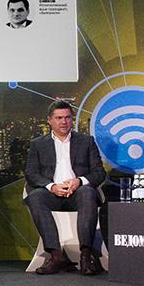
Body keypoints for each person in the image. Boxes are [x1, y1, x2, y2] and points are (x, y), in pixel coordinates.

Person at [25, 99, 105, 275]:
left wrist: (79, 181)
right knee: (35, 196)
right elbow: (31, 174)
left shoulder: (86, 141)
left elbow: (99, 173)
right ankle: (56, 256)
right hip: (52, 194)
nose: (64, 122)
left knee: (87, 192)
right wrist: (52, 186)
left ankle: (86, 256)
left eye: (68, 117)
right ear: (50, 120)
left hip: (77, 194)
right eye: (59, 118)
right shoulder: (38, 144)